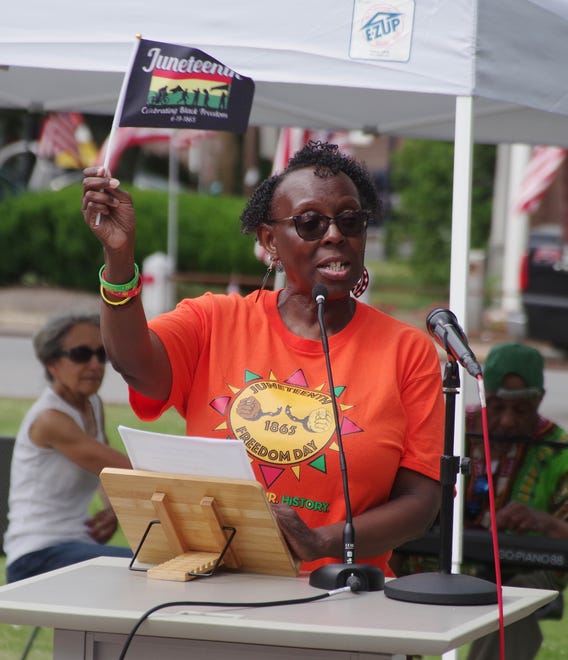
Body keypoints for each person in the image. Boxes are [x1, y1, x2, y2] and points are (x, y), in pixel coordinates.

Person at [81, 140, 445, 576]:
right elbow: (135, 365)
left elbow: (421, 502)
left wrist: (320, 542)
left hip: (339, 594)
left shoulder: (409, 351)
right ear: (270, 240)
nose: (335, 235)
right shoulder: (213, 320)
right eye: (310, 222)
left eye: (351, 220)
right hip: (213, 586)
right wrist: (119, 261)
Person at [4, 313, 133, 583]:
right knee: (149, 571)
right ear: (52, 364)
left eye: (102, 353)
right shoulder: (51, 419)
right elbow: (126, 469)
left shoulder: (92, 403)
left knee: (153, 570)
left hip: (75, 545)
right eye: (81, 354)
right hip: (35, 557)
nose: (95, 364)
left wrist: (112, 510)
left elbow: (106, 474)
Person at [464, 342, 568, 660]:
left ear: (539, 401)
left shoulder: (559, 449)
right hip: (450, 562)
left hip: (533, 568)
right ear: (484, 398)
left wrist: (543, 522)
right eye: (496, 408)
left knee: (514, 606)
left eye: (521, 410)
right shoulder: (452, 429)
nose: (508, 421)